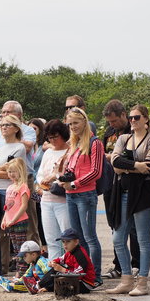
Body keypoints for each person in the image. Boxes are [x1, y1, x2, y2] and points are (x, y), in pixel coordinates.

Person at [106, 105, 150, 296]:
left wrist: (126, 167)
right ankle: (126, 280)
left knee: (142, 239)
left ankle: (142, 282)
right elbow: (115, 163)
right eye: (131, 118)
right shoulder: (123, 138)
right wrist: (136, 165)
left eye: (137, 117)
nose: (133, 121)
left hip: (144, 194)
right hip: (123, 193)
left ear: (146, 119)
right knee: (118, 238)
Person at [57, 106, 104, 285]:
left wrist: (75, 183)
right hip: (71, 194)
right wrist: (63, 179)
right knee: (78, 238)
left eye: (76, 122)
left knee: (90, 236)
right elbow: (72, 170)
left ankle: (96, 276)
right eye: (70, 124)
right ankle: (83, 273)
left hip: (85, 194)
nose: (73, 126)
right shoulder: (73, 144)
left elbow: (96, 172)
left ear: (85, 122)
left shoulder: (95, 142)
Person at [0, 100, 40, 245]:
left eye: (7, 112)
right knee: (6, 221)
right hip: (1, 182)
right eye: (2, 112)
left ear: (19, 115)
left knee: (27, 218)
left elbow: (26, 148)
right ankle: (10, 259)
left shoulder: (28, 130)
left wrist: (8, 149)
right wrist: (7, 154)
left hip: (23, 178)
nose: (4, 115)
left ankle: (32, 255)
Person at [0, 115, 27, 283]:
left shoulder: (19, 148)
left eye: (8, 125)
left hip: (9, 192)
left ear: (16, 128)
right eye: (2, 125)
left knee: (14, 234)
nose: (3, 127)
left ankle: (21, 269)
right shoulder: (1, 147)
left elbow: (13, 172)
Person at [101, 99, 139, 279]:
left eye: (115, 121)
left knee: (133, 227)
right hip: (111, 183)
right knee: (114, 225)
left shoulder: (134, 131)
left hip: (129, 183)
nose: (112, 125)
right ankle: (118, 264)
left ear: (124, 114)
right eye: (109, 122)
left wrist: (114, 158)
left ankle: (136, 264)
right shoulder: (109, 133)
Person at [36, 119, 71, 260]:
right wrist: (42, 183)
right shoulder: (48, 152)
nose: (53, 140)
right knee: (51, 239)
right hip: (46, 199)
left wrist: (54, 180)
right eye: (50, 137)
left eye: (55, 136)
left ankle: (70, 267)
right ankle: (54, 269)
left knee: (67, 237)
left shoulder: (70, 151)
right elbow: (39, 174)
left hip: (62, 200)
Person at [38, 228, 97, 294]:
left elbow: (78, 275)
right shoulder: (70, 251)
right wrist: (52, 263)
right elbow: (60, 259)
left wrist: (62, 270)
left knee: (62, 278)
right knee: (56, 270)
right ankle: (40, 285)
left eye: (68, 241)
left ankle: (44, 287)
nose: (65, 244)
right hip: (76, 279)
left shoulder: (80, 255)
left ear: (76, 242)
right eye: (63, 241)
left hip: (85, 284)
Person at [1, 158, 31, 277]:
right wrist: (5, 219)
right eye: (9, 171)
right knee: (15, 247)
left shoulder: (23, 186)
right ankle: (20, 271)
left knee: (21, 248)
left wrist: (14, 219)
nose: (11, 174)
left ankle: (22, 272)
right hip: (10, 221)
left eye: (14, 171)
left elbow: (24, 206)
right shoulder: (9, 188)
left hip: (20, 220)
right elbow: (7, 207)